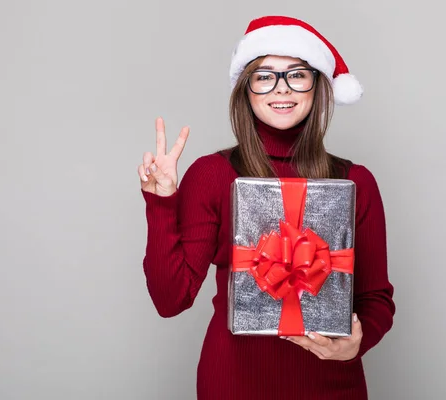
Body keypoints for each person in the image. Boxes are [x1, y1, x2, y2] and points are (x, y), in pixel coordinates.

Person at [138, 15, 395, 400]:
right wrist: (161, 203)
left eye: (297, 74)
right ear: (246, 89)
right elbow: (170, 300)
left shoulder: (356, 182)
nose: (282, 89)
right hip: (234, 381)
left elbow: (376, 299)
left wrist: (355, 344)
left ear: (317, 85)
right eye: (264, 76)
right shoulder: (211, 175)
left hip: (331, 384)